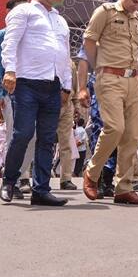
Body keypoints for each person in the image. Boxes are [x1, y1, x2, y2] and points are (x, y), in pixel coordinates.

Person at [0, 0, 72, 207]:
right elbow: (9, 42)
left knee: (48, 139)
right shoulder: (24, 12)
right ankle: (9, 181)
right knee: (23, 134)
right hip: (27, 83)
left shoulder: (60, 21)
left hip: (53, 85)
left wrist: (67, 86)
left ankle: (41, 189)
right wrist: (10, 70)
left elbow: (65, 54)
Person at [81, 0, 138, 205]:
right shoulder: (105, 12)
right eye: (133, 0)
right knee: (115, 128)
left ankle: (123, 187)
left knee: (132, 135)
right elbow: (89, 42)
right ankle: (92, 173)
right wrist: (98, 69)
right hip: (109, 77)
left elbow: (137, 55)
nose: (136, 6)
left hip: (132, 80)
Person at [76, 0, 123, 199]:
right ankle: (98, 178)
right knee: (102, 133)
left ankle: (109, 179)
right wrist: (83, 88)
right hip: (101, 89)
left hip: (124, 89)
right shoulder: (95, 35)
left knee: (120, 134)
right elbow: (84, 62)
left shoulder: (130, 32)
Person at [0, 0, 30, 197]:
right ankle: (13, 179)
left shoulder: (35, 34)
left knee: (32, 136)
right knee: (16, 136)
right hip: (10, 93)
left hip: (32, 93)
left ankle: (24, 176)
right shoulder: (3, 35)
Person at [56, 60, 78, 190]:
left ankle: (66, 179)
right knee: (39, 141)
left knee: (66, 143)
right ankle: (27, 178)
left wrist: (76, 106)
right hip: (48, 103)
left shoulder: (71, 63)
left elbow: (74, 84)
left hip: (67, 104)